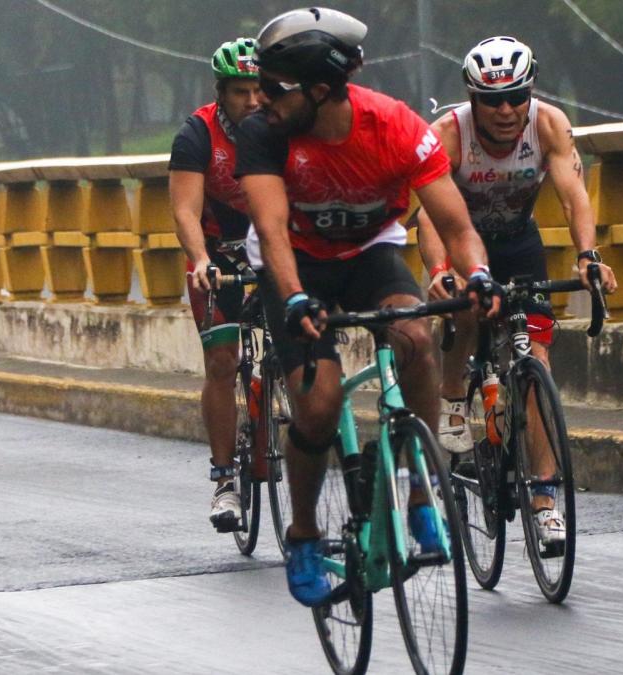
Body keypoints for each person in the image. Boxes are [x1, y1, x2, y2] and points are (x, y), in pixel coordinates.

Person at [236, 7, 500, 607]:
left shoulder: (396, 129)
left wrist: (478, 274)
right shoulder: (264, 135)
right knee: (320, 403)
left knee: (414, 337)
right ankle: (304, 533)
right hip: (295, 265)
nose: (259, 101)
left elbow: (456, 225)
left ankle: (420, 488)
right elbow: (272, 232)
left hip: (367, 253)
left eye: (273, 88)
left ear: (321, 90)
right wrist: (296, 296)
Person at [416, 36, 617, 543]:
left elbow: (574, 197)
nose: (506, 110)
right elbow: (429, 215)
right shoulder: (448, 134)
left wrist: (588, 256)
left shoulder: (548, 124)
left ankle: (546, 499)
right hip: (463, 242)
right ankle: (454, 399)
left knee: (537, 366)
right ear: (472, 97)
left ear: (530, 93)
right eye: (492, 99)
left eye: (516, 97)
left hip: (519, 243)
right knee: (464, 309)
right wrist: (442, 269)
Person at [169, 37, 263, 533]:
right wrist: (201, 258)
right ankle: (225, 480)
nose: (252, 101)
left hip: (272, 251)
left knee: (303, 347)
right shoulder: (197, 134)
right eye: (241, 92)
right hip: (216, 257)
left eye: (259, 90)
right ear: (221, 93)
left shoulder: (282, 126)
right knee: (223, 361)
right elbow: (184, 209)